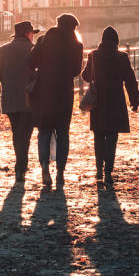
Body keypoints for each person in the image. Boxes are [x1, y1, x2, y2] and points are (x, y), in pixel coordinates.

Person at [28, 13, 84, 188]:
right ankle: (60, 171)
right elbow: (76, 71)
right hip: (64, 93)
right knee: (63, 132)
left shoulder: (44, 40)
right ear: (72, 27)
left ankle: (44, 167)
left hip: (45, 91)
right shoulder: (76, 45)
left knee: (44, 130)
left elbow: (31, 61)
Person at [81, 26, 139, 186]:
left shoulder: (93, 55)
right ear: (116, 41)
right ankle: (108, 172)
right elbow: (130, 80)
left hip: (99, 101)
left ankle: (99, 169)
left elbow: (85, 76)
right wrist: (134, 100)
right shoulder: (122, 57)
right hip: (116, 101)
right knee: (112, 137)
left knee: (99, 135)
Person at [0, 20, 40, 183]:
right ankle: (21, 167)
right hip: (29, 99)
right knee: (25, 134)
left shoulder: (1, 51)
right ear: (27, 34)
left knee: (17, 132)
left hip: (9, 100)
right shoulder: (33, 50)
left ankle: (20, 165)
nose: (33, 36)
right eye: (32, 33)